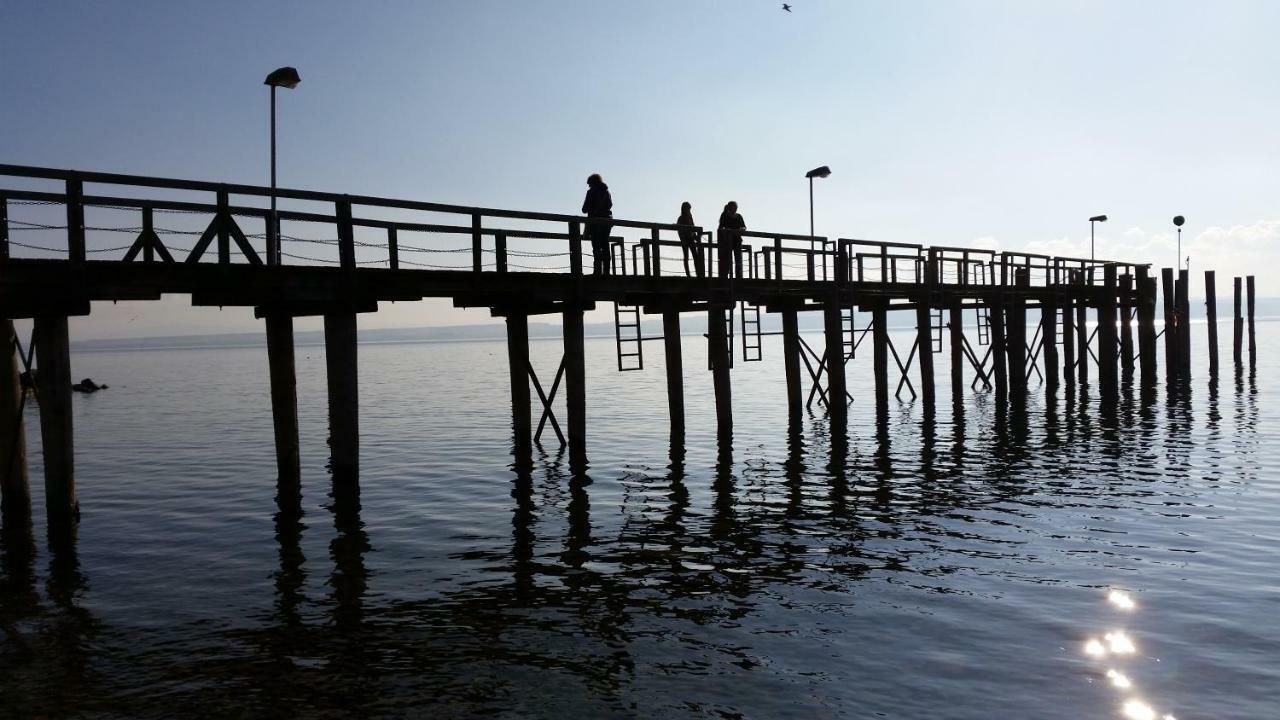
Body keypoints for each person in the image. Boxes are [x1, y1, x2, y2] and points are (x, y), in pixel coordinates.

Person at [581, 173, 613, 275]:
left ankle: (597, 271)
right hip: (607, 221)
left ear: (592, 183)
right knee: (605, 245)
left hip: (595, 222)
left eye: (589, 184)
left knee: (596, 246)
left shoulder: (591, 192)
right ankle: (607, 272)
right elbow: (610, 205)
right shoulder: (606, 192)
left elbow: (584, 209)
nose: (589, 186)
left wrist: (592, 208)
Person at [717, 201, 746, 277]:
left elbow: (743, 226)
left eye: (736, 207)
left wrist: (742, 229)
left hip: (737, 240)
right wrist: (725, 233)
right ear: (729, 208)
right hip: (727, 241)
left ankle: (738, 276)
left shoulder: (739, 216)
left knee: (738, 260)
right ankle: (726, 276)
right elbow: (721, 227)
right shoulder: (725, 216)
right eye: (734, 207)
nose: (735, 209)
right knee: (727, 260)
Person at [677, 201, 705, 278]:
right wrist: (683, 240)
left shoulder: (690, 217)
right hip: (685, 239)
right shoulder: (681, 218)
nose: (689, 210)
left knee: (695, 256)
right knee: (686, 256)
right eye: (688, 209)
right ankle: (688, 274)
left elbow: (693, 227)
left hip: (691, 239)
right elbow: (680, 231)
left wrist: (695, 236)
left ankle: (698, 273)